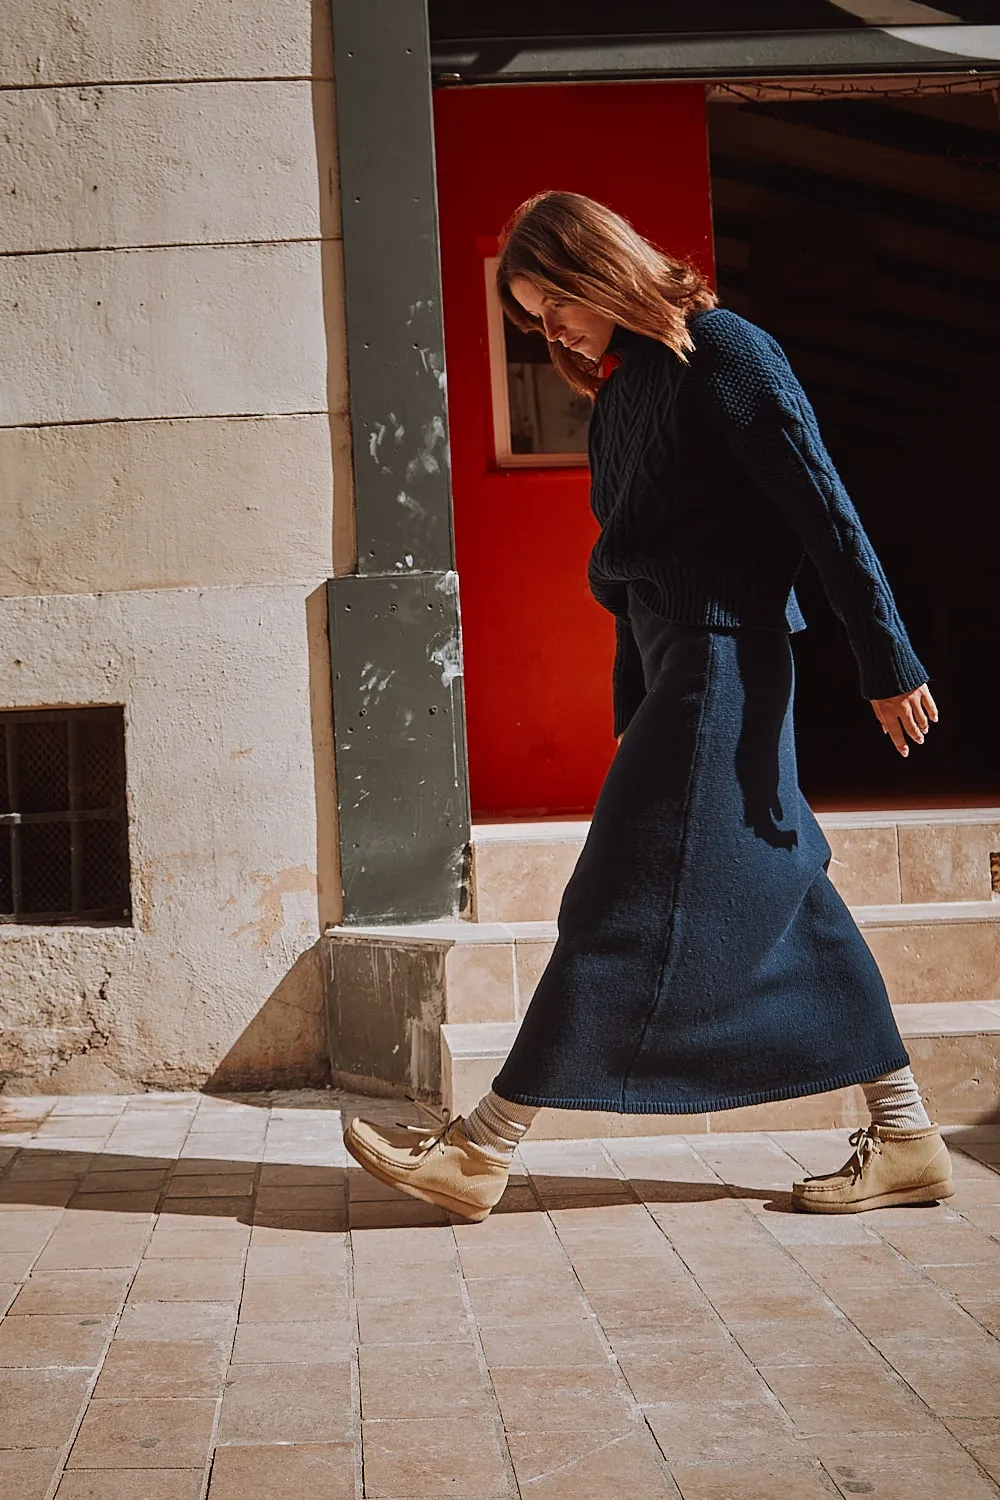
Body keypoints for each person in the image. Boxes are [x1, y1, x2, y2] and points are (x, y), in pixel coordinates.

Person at [345, 190, 953, 1222]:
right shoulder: (623, 396)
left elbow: (823, 505)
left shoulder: (724, 355)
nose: (549, 332)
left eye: (553, 305)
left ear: (597, 269)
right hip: (681, 671)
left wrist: (885, 658)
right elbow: (628, 572)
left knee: (612, 900)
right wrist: (633, 704)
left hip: (726, 663)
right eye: (532, 319)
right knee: (793, 891)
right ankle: (905, 1137)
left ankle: (483, 1150)